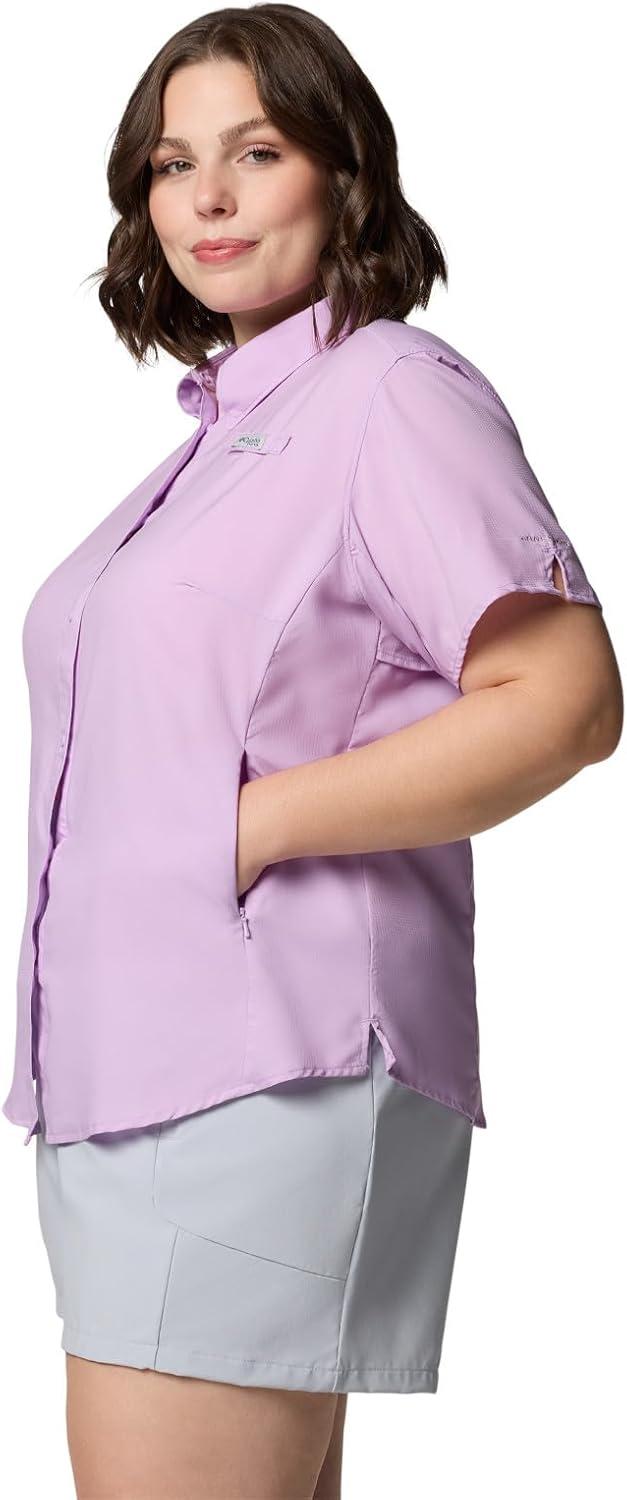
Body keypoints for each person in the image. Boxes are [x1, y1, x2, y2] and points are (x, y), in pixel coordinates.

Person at [4, 6, 622, 1498]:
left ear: (345, 175)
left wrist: (246, 828)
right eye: (173, 164)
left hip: (256, 1062)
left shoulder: (388, 391)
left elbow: (563, 698)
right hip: (140, 1069)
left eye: (258, 152)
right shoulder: (220, 439)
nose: (207, 198)